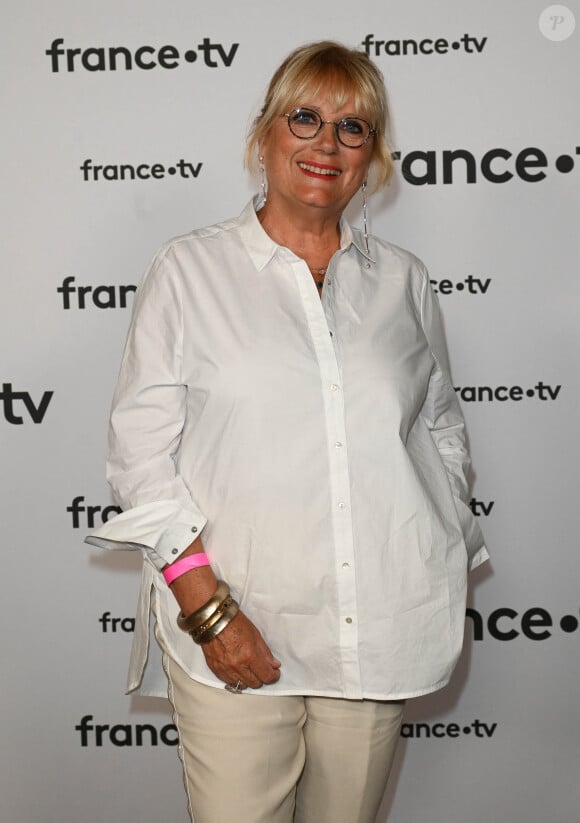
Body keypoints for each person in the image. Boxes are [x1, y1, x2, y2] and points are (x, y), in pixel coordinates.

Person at [86, 40, 488, 823]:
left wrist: (438, 537)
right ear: (264, 134)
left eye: (353, 127)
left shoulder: (404, 280)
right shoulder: (189, 271)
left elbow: (440, 426)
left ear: (373, 155)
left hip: (377, 627)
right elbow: (140, 454)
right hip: (240, 625)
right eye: (305, 117)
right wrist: (210, 611)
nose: (326, 144)